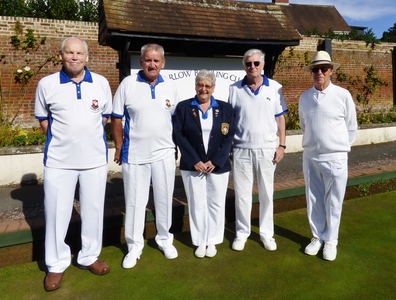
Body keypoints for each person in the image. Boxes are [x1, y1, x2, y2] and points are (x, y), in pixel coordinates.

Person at [34, 37, 112, 292]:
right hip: (59, 161)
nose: (75, 57)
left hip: (94, 160)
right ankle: (56, 264)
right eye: (70, 53)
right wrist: (65, 140)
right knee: (57, 213)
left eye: (79, 53)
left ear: (87, 57)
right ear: (61, 56)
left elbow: (105, 118)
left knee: (93, 210)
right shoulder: (47, 84)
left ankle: (89, 256)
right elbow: (44, 119)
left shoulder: (100, 83)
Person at [112, 43, 180, 268]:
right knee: (134, 202)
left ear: (163, 63)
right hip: (135, 155)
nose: (152, 64)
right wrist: (120, 146)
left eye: (156, 60)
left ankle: (164, 239)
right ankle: (134, 246)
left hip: (164, 153)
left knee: (164, 199)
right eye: (148, 60)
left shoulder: (170, 86)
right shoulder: (128, 84)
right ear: (141, 62)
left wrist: (176, 147)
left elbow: (175, 120)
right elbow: (116, 118)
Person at [299, 50, 357, 261]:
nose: (320, 72)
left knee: (334, 201)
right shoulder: (304, 98)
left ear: (331, 70)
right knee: (313, 199)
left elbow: (351, 127)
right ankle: (317, 237)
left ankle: (331, 240)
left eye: (324, 68)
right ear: (312, 72)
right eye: (316, 69)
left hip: (336, 157)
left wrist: (338, 148)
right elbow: (306, 125)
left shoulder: (342, 95)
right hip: (311, 156)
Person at [228, 49, 288, 252]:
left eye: (256, 63)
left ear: (262, 65)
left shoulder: (275, 88)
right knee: (242, 195)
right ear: (244, 66)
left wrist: (282, 145)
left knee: (266, 194)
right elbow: (230, 121)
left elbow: (280, 119)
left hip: (267, 149)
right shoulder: (234, 89)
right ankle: (242, 233)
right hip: (241, 149)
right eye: (248, 64)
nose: (252, 67)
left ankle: (266, 234)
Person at [173, 70, 235, 258]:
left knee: (216, 203)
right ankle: (200, 241)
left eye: (208, 86)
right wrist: (195, 161)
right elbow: (178, 135)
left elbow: (229, 136)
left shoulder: (225, 108)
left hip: (219, 166)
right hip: (193, 166)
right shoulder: (183, 108)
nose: (204, 89)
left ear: (213, 88)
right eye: (200, 85)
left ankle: (213, 241)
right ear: (195, 86)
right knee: (197, 203)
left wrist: (216, 161)